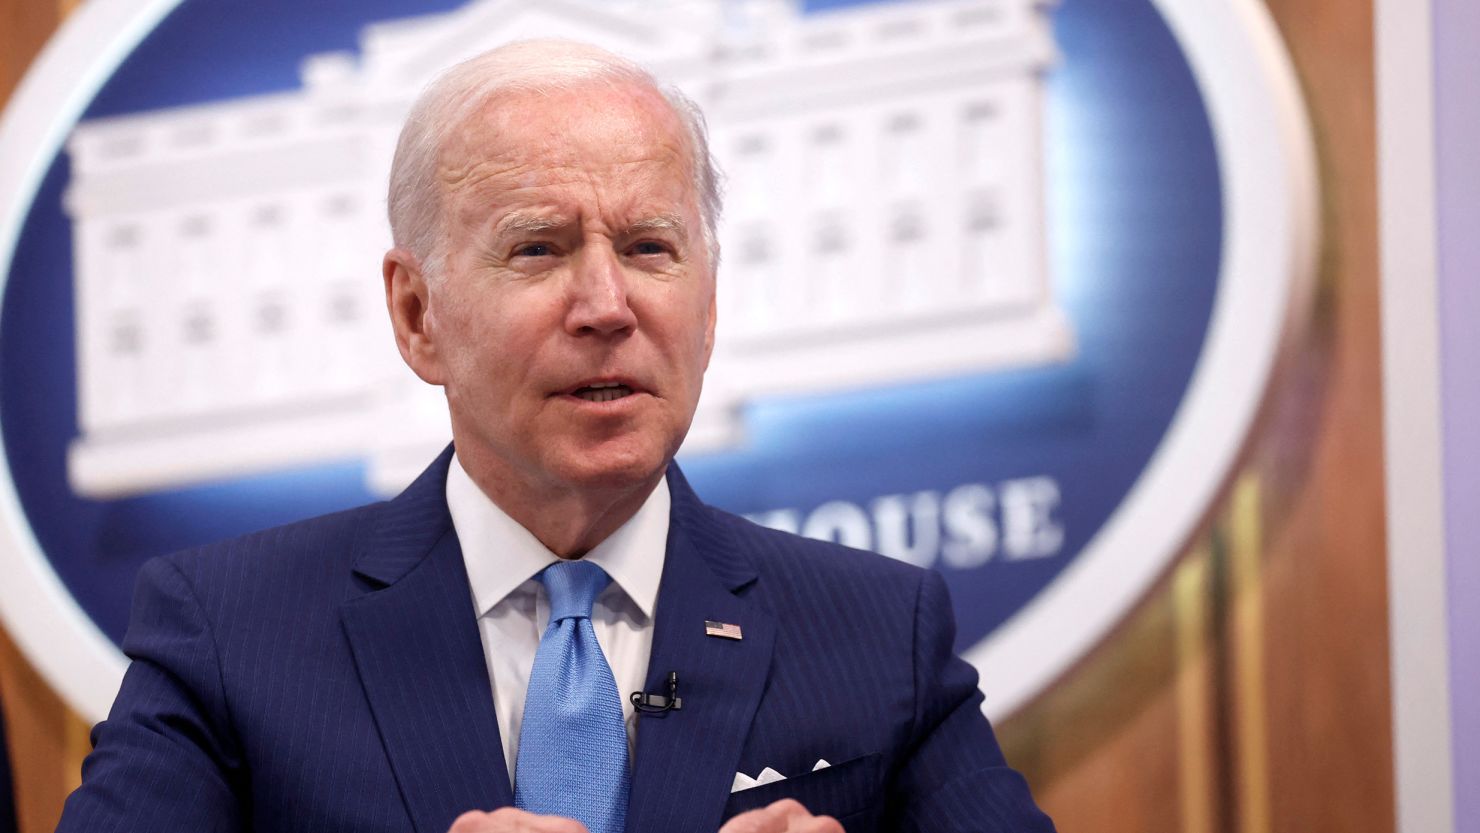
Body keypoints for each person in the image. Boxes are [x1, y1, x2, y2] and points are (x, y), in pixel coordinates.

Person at [56, 40, 1055, 833]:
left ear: (707, 306)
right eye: (538, 247)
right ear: (417, 315)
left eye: (648, 247)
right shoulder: (230, 635)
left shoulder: (879, 633)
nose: (606, 304)